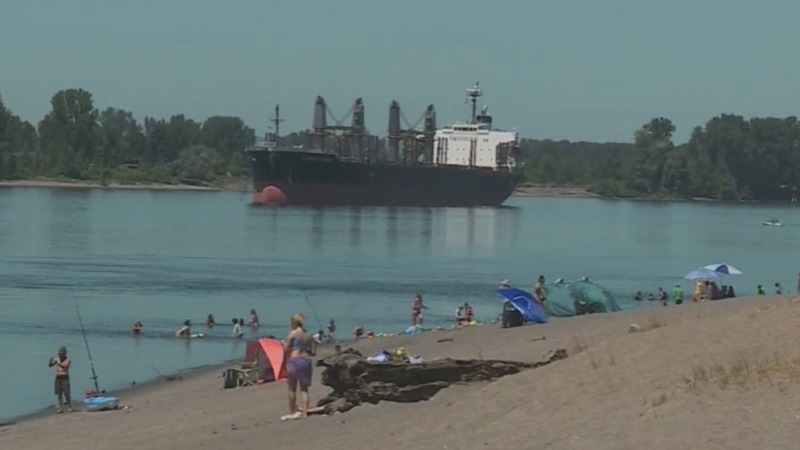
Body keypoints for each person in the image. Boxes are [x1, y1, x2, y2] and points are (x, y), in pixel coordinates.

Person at [281, 314, 313, 421]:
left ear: (294, 322)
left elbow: (286, 349)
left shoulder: (293, 334)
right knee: (304, 389)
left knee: (291, 388)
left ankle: (292, 411)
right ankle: (305, 412)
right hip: (306, 360)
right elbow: (313, 351)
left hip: (294, 360)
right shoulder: (308, 334)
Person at [49, 347, 73, 413]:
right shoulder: (57, 359)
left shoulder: (68, 360)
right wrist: (51, 361)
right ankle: (60, 408)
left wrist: (58, 362)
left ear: (64, 354)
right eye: (59, 354)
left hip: (65, 378)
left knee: (67, 393)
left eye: (61, 354)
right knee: (59, 394)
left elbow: (64, 366)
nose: (59, 355)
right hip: (58, 378)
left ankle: (69, 407)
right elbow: (50, 365)